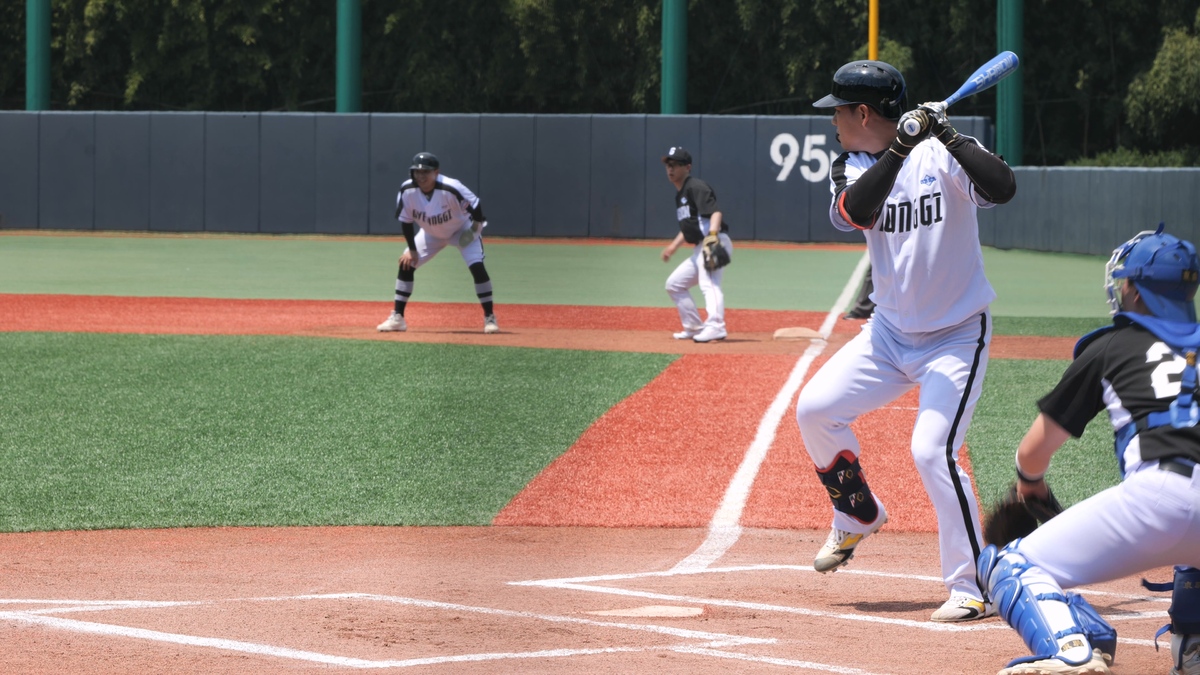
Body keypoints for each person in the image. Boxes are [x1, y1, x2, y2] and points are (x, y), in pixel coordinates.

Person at [794, 60, 1017, 622]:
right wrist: (900, 148)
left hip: (956, 335)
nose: (834, 122)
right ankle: (856, 514)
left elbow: (1003, 187)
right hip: (890, 335)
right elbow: (855, 211)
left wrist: (943, 133)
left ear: (862, 112)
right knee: (816, 409)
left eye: (839, 111)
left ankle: (972, 585)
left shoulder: (943, 152)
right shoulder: (852, 164)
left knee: (931, 450)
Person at [976, 226, 1200, 675]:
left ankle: (1070, 649)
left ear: (1134, 291)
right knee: (1190, 556)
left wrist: (1031, 484)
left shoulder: (1111, 346)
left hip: (1162, 495)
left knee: (1009, 564)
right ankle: (1192, 648)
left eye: (1125, 282)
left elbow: (1033, 452)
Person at [376, 152, 499, 335]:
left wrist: (475, 230)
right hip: (431, 234)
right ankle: (398, 318)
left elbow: (476, 205)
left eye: (426, 171)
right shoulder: (407, 190)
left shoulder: (451, 187)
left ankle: (490, 317)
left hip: (461, 230)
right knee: (406, 263)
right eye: (416, 172)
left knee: (477, 267)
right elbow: (406, 221)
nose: (421, 176)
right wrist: (412, 249)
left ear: (436, 172)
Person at [660, 146, 733, 344]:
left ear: (688, 167)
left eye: (675, 165)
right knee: (674, 284)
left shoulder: (695, 187)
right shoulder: (681, 194)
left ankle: (716, 326)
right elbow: (689, 227)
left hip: (714, 241)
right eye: (668, 165)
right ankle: (693, 326)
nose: (670, 169)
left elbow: (716, 213)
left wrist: (711, 237)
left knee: (709, 283)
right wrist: (672, 248)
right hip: (701, 246)